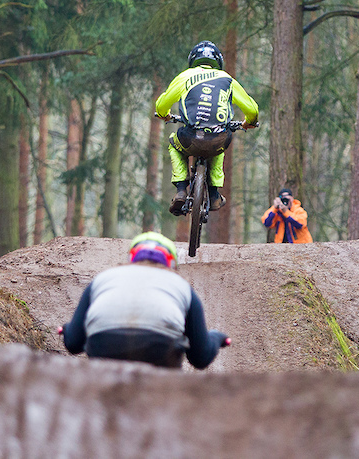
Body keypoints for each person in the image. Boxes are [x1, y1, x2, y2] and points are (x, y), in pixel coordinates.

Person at [60, 232, 230, 369]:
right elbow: (200, 357)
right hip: (159, 349)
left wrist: (67, 329)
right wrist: (216, 338)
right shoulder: (182, 286)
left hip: (105, 343)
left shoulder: (103, 278)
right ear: (171, 263)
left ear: (132, 257)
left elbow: (73, 343)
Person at [154, 41, 258, 215]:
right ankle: (214, 193)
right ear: (218, 61)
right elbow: (252, 110)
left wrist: (163, 114)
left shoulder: (186, 76)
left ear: (193, 59)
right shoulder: (227, 79)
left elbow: (161, 104)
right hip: (219, 140)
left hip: (190, 137)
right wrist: (249, 122)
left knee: (174, 143)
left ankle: (181, 189)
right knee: (220, 143)